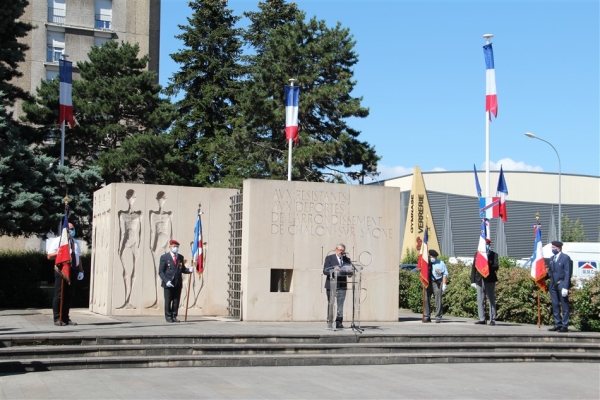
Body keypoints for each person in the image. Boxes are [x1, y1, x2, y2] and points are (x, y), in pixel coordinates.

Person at [47, 223, 84, 326]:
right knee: (59, 294)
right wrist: (61, 252)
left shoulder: (75, 242)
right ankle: (57, 318)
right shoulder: (58, 241)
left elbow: (78, 258)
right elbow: (49, 256)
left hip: (73, 270)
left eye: (73, 229)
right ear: (65, 230)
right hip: (62, 270)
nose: (72, 231)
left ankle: (65, 318)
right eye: (70, 229)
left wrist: (81, 271)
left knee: (69, 295)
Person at [158, 239, 193, 323]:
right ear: (170, 247)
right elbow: (161, 271)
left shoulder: (180, 257)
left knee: (176, 300)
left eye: (177, 247)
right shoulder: (164, 257)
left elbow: (182, 269)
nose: (176, 248)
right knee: (168, 300)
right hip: (168, 283)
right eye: (174, 247)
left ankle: (174, 315)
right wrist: (166, 281)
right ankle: (168, 316)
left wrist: (189, 270)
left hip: (177, 282)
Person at [471, 238, 499, 326]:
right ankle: (482, 318)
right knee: (480, 299)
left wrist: (488, 264)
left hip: (490, 279)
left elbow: (496, 266)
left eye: (487, 244)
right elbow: (474, 267)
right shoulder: (478, 254)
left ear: (489, 245)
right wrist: (473, 280)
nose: (486, 246)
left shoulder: (494, 254)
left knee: (491, 299)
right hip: (479, 279)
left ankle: (492, 319)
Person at [323, 243, 350, 329]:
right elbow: (325, 271)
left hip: (342, 285)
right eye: (339, 250)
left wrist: (349, 271)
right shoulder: (329, 258)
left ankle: (339, 322)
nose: (341, 252)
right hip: (331, 285)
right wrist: (334, 269)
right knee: (331, 303)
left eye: (342, 251)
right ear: (336, 250)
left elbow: (349, 273)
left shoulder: (346, 259)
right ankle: (330, 321)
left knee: (340, 304)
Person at [547, 241, 571, 332]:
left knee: (564, 305)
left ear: (559, 248)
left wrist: (566, 286)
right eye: (552, 247)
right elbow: (550, 272)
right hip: (553, 285)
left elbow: (567, 273)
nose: (552, 249)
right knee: (555, 304)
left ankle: (564, 325)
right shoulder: (551, 258)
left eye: (553, 247)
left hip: (562, 284)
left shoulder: (565, 258)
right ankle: (557, 323)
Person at [423, 249, 448, 323]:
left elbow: (445, 274)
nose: (432, 258)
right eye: (431, 256)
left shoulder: (441, 263)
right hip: (427, 282)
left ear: (436, 257)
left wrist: (444, 284)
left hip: (437, 282)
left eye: (434, 256)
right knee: (426, 299)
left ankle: (438, 317)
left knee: (438, 300)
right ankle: (427, 316)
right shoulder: (426, 263)